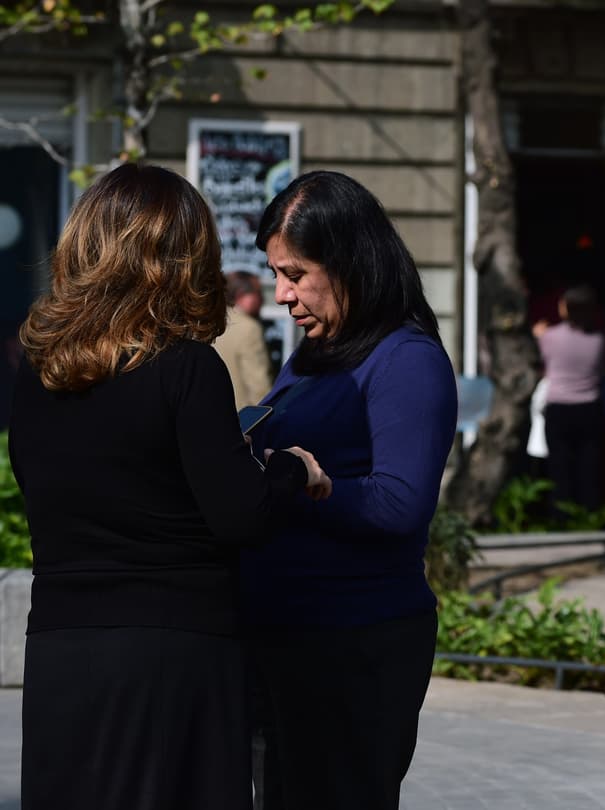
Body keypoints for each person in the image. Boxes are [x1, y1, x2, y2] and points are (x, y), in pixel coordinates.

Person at [8, 163, 330, 810]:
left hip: (62, 649)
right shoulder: (184, 368)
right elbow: (240, 518)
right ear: (181, 256)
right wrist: (294, 470)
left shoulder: (37, 371)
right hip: (172, 651)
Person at [242, 170, 457, 810]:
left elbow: (399, 502)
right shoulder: (319, 351)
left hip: (355, 645)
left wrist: (312, 486)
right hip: (291, 636)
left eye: (295, 273)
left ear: (349, 262)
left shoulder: (406, 359)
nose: (281, 294)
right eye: (276, 274)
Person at [533, 285, 605, 510]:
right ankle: (588, 512)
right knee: (588, 467)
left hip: (559, 408)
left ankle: (561, 513)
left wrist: (537, 335)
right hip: (589, 408)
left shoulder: (550, 337)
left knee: (559, 466)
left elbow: (541, 361)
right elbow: (602, 371)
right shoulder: (598, 340)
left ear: (565, 309)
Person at [213, 269, 274, 409]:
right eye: (258, 293)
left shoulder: (211, 323)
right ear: (241, 295)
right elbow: (260, 389)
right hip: (241, 423)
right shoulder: (249, 328)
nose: (263, 299)